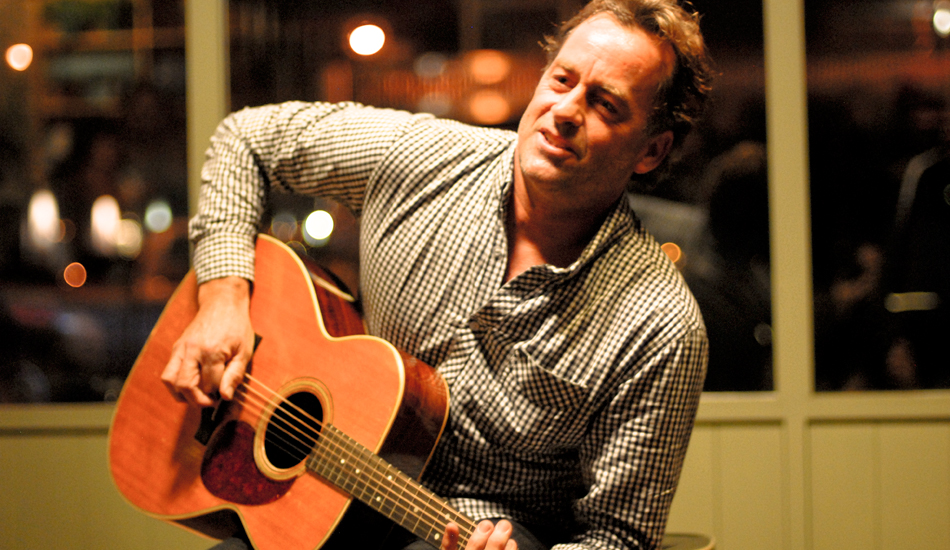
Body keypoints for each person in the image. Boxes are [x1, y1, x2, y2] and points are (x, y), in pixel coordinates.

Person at [161, 1, 713, 549]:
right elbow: (245, 140)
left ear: (652, 150)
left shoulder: (660, 326)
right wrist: (223, 299)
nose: (565, 110)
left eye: (605, 104)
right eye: (561, 79)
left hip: (481, 530)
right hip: (318, 492)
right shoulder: (424, 159)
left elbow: (618, 537)